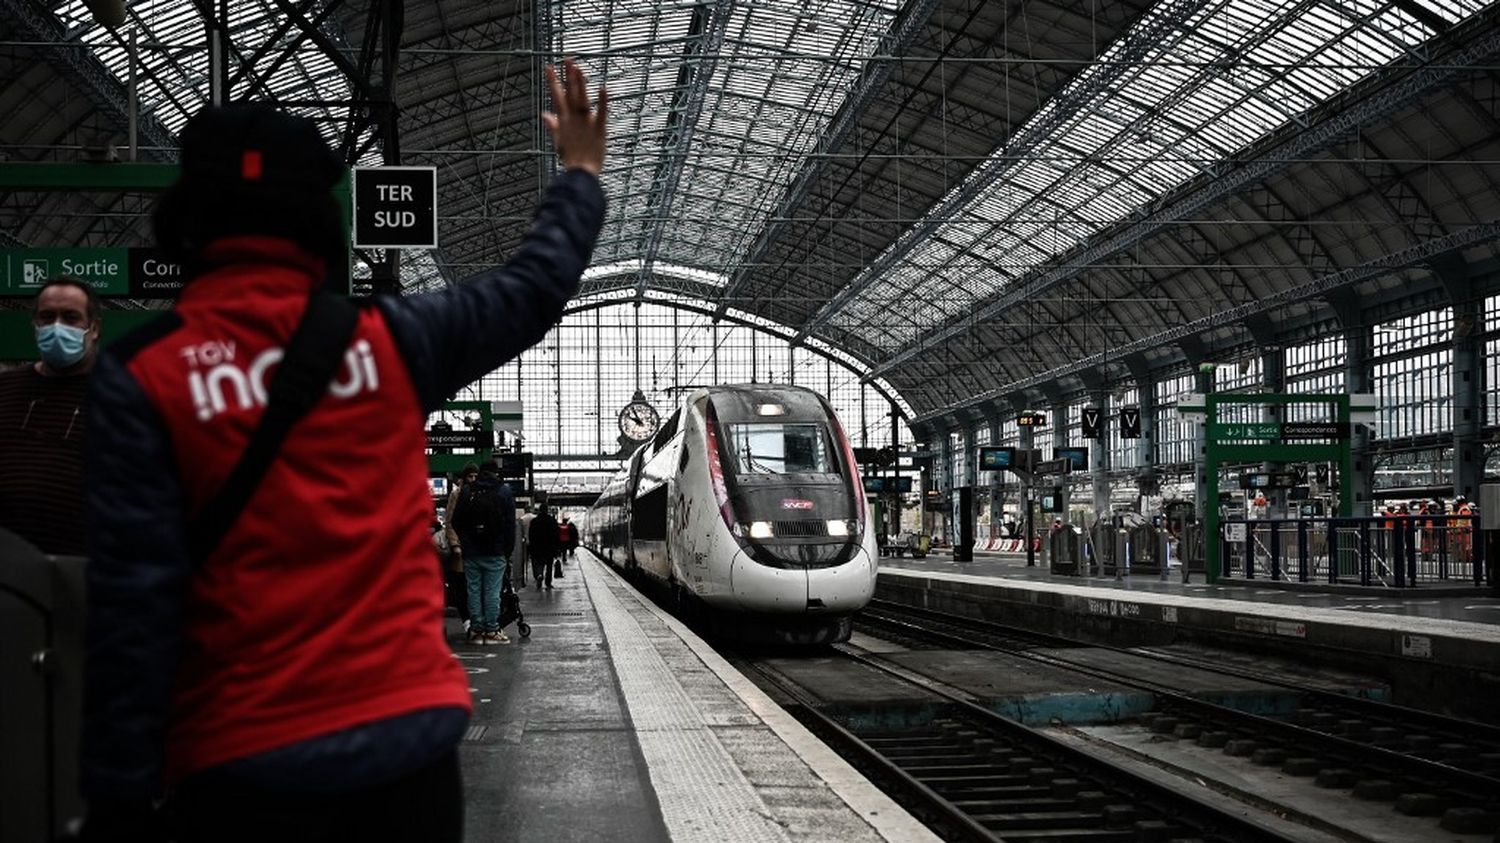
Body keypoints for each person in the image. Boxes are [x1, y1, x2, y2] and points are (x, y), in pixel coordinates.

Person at [78, 60, 607, 842]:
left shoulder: (144, 374)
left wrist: (119, 799)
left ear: (186, 221)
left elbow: (133, 609)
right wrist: (579, 176)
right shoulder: (392, 340)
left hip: (240, 767)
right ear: (322, 223)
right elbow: (532, 287)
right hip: (408, 759)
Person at [0, 276, 101, 555]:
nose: (57, 327)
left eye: (71, 317)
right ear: (35, 325)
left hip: (84, 567)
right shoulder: (5, 389)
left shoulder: (119, 397)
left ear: (93, 328)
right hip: (9, 570)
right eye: (47, 317)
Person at [449, 460, 516, 644]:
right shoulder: (504, 491)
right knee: (492, 591)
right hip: (495, 551)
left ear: (481, 472)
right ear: (496, 473)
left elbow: (455, 521)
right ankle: (492, 631)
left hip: (472, 553)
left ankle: (476, 632)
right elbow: (510, 526)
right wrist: (507, 549)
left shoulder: (468, 491)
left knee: (474, 590)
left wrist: (466, 540)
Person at [528, 506, 561, 590]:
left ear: (539, 511)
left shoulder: (534, 521)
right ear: (547, 511)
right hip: (549, 547)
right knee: (549, 565)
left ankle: (539, 574)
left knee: (538, 563)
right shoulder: (552, 521)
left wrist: (531, 545)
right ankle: (548, 582)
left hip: (537, 546)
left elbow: (531, 535)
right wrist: (557, 548)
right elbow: (556, 535)